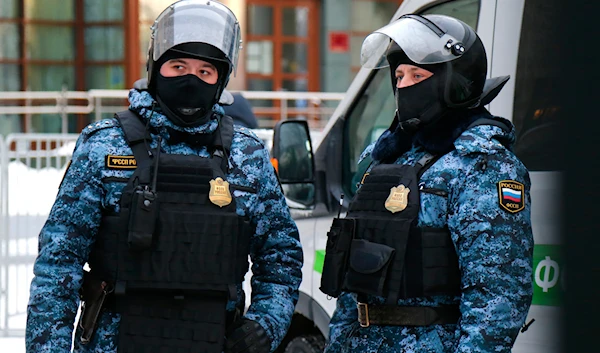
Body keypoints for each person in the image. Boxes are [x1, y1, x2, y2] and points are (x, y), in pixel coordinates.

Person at [25, 1, 303, 353]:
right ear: (156, 69)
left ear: (221, 81)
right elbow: (58, 263)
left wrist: (265, 323)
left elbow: (281, 257)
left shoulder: (248, 156)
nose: (190, 79)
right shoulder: (104, 146)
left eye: (205, 72)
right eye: (178, 65)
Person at [319, 14, 533, 352]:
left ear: (455, 82)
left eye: (417, 75)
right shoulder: (385, 159)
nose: (404, 85)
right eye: (399, 75)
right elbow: (354, 289)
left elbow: (497, 296)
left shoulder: (481, 164)